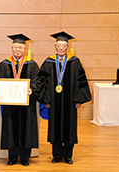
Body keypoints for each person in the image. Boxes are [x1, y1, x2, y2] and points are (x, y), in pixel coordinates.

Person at [36, 31, 91, 164]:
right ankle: (56, 155)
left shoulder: (75, 62)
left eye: (64, 45)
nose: (61, 48)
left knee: (69, 128)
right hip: (54, 103)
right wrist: (45, 101)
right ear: (55, 47)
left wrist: (79, 100)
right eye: (59, 45)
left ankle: (67, 156)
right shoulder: (48, 62)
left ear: (68, 47)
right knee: (55, 128)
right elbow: (41, 82)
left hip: (70, 103)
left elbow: (81, 82)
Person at [0, 34, 40, 166]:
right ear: (11, 48)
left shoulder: (32, 65)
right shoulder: (4, 64)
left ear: (25, 49)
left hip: (26, 105)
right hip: (10, 106)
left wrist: (32, 89)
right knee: (11, 129)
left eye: (21, 47)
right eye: (15, 47)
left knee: (26, 129)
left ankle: (25, 158)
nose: (18, 50)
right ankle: (12, 157)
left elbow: (39, 81)